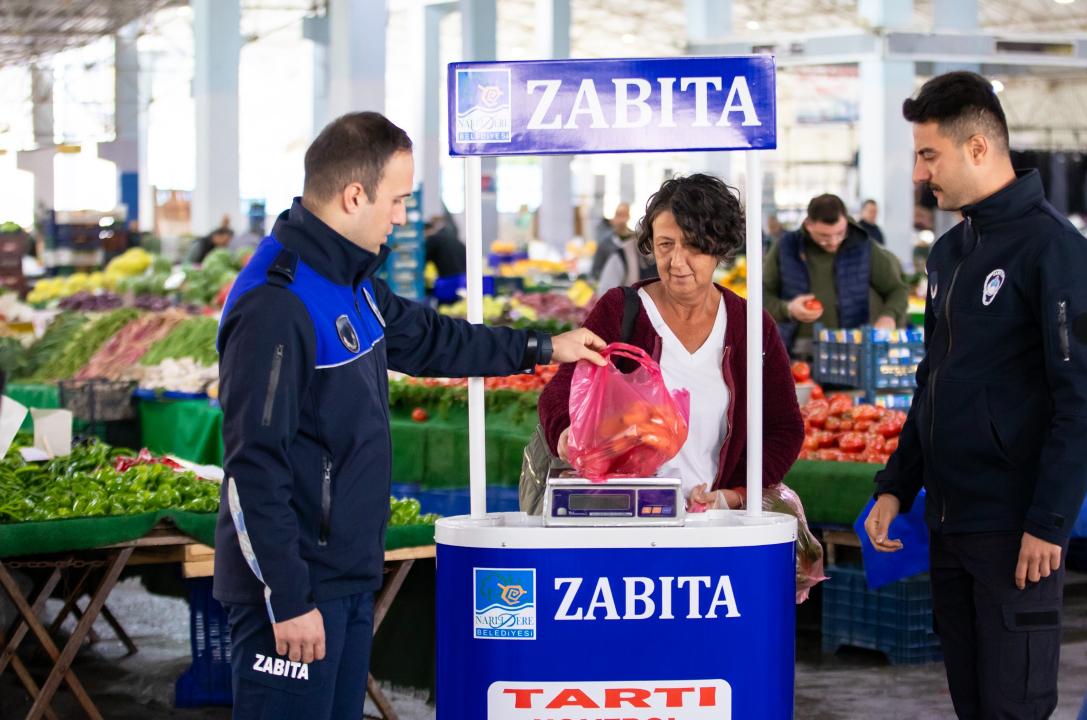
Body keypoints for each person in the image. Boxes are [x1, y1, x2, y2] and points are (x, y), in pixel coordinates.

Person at [214, 111, 604, 718]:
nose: (401, 216)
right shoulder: (278, 303)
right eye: (397, 200)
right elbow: (252, 466)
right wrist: (287, 598)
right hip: (295, 592)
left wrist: (541, 347)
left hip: (343, 576)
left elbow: (428, 340)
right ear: (353, 196)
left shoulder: (351, 282)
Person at [863, 71, 1087, 720]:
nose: (920, 174)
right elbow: (931, 382)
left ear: (978, 148)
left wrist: (1048, 523)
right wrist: (896, 483)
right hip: (950, 523)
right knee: (972, 704)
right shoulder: (948, 254)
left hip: (1015, 532)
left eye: (928, 155)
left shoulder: (1057, 252)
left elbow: (1084, 400)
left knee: (1013, 708)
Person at [540, 174, 805, 511]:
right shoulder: (622, 311)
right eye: (666, 244)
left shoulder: (750, 325)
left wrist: (737, 494)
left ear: (719, 248)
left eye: (693, 245)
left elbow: (784, 427)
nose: (677, 262)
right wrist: (568, 433)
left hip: (713, 526)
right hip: (625, 517)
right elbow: (561, 392)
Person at [763, 194, 909, 355]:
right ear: (808, 224)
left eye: (840, 233)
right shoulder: (786, 247)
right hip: (795, 351)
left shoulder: (863, 246)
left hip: (851, 351)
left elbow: (897, 290)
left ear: (846, 221)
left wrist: (889, 316)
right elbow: (761, 295)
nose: (833, 241)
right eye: (824, 236)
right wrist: (788, 309)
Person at [589, 202, 633, 279]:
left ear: (629, 217)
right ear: (614, 217)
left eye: (625, 215)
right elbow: (595, 271)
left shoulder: (636, 242)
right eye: (619, 215)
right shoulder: (604, 244)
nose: (622, 220)